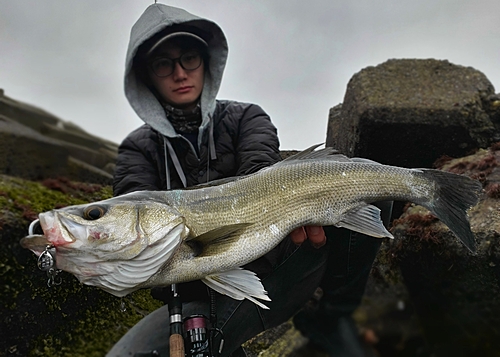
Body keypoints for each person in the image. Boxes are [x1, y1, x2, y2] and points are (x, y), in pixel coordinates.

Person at [108, 4, 390, 357]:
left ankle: (331, 316)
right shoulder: (137, 148)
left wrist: (301, 208)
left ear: (207, 62)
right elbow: (130, 223)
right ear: (146, 76)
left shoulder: (246, 117)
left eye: (189, 58)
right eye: (163, 64)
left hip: (277, 269)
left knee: (370, 188)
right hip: (193, 297)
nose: (180, 73)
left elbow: (260, 175)